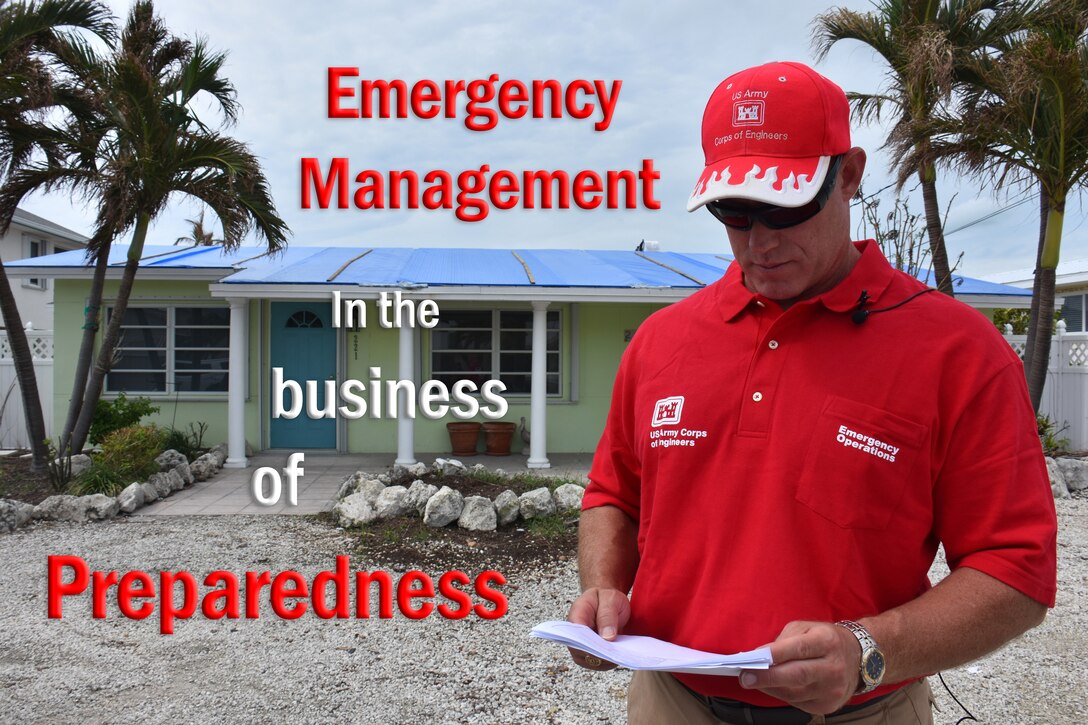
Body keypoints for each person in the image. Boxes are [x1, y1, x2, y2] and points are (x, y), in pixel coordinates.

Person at [567, 61, 1058, 725]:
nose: (760, 240)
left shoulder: (958, 353)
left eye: (786, 204)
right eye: (733, 211)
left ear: (850, 173)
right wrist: (602, 586)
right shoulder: (661, 342)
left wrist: (868, 649)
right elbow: (612, 496)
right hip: (671, 702)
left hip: (861, 712)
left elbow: (1016, 571)